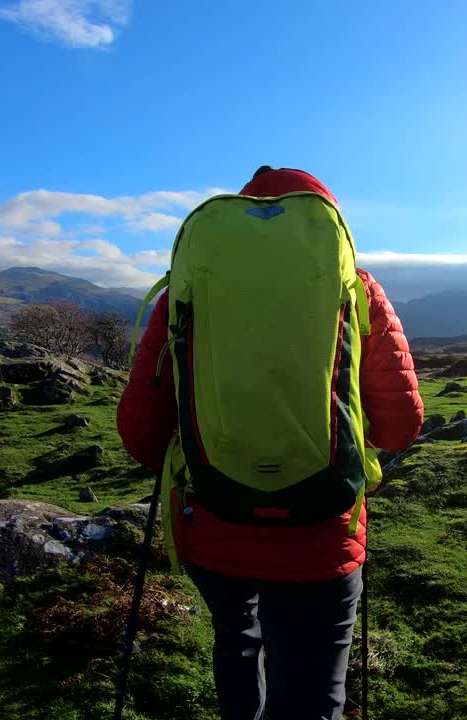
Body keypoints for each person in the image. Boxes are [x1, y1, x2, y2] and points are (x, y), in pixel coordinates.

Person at [117, 166, 423, 720]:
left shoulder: (186, 292)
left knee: (236, 645)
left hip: (214, 521)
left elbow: (140, 435)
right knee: (313, 692)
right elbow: (399, 426)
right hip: (323, 532)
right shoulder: (357, 291)